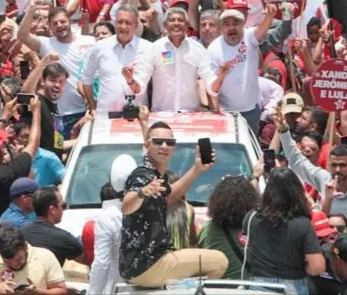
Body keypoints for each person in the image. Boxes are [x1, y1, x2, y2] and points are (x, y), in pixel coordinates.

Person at [118, 121, 228, 287]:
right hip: (151, 264)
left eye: (170, 143)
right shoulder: (141, 174)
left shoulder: (155, 173)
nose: (164, 146)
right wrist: (142, 193)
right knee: (220, 261)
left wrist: (197, 169)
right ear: (147, 145)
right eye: (158, 142)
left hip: (140, 266)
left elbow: (171, 196)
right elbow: (126, 207)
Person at [241, 167, 325, 293]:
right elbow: (317, 267)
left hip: (258, 286)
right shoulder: (303, 224)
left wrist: (255, 177)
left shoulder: (251, 218)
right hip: (292, 286)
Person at [18, 2, 96, 137]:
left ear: (70, 21)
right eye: (55, 23)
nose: (60, 25)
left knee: (83, 152)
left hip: (86, 112)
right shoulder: (46, 44)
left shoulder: (90, 41)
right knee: (59, 150)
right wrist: (31, 10)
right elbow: (22, 35)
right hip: (58, 114)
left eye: (62, 21)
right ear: (50, 28)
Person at [128, 8, 224, 112]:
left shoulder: (197, 49)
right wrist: (131, 80)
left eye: (180, 20)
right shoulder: (154, 49)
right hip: (162, 114)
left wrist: (220, 76)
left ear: (187, 25)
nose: (176, 23)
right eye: (172, 20)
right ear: (165, 25)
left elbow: (210, 82)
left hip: (190, 114)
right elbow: (141, 84)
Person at [206, 4, 278, 130]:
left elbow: (262, 29)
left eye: (235, 23)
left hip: (251, 110)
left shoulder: (250, 37)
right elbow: (212, 89)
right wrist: (221, 75)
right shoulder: (213, 49)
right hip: (226, 112)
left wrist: (270, 16)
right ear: (221, 28)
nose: (231, 27)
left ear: (243, 25)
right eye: (226, 24)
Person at [80, 5, 152, 115]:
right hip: (105, 114)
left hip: (137, 114)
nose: (123, 26)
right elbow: (86, 76)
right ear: (114, 24)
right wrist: (92, 106)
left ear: (136, 25)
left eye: (128, 23)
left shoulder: (148, 48)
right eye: (119, 22)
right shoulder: (100, 47)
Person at [88, 155, 137, 295]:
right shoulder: (150, 206)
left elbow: (101, 263)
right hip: (151, 284)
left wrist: (93, 292)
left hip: (119, 286)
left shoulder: (108, 217)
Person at [197, 175, 260, 279]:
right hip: (256, 288)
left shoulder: (208, 230)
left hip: (222, 289)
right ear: (252, 200)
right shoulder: (259, 227)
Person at [0, 225, 67, 295]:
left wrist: (39, 293)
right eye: (7, 262)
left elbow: (62, 290)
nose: (14, 265)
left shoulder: (45, 256)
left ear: (25, 247)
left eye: (18, 260)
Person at [21, 187, 84, 265]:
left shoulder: (21, 232)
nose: (64, 209)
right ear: (52, 209)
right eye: (63, 206)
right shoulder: (64, 238)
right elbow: (87, 260)